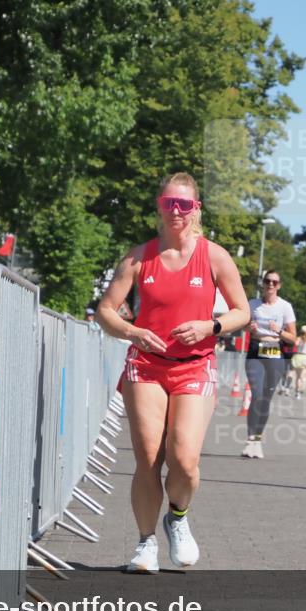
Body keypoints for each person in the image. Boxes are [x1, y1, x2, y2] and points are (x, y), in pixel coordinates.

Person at [97, 172, 249, 573]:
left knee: (183, 459)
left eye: (184, 205)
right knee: (148, 457)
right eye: (169, 204)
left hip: (195, 366)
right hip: (146, 366)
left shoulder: (214, 256)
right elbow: (105, 311)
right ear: (159, 208)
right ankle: (145, 543)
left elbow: (242, 312)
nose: (177, 212)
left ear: (196, 208)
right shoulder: (138, 257)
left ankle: (177, 518)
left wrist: (209, 327)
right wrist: (133, 332)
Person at [243, 269, 297, 458]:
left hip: (275, 352)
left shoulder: (285, 307)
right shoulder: (253, 304)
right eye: (268, 281)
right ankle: (250, 439)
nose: (271, 285)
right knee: (256, 395)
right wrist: (248, 327)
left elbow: (293, 338)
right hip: (255, 351)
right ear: (263, 284)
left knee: (265, 399)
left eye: (274, 282)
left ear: (279, 285)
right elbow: (242, 324)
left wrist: (280, 331)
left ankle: (257, 440)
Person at [291, 325, 306, 398]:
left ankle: (297, 392)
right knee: (303, 376)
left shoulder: (299, 338)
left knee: (298, 377)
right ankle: (301, 389)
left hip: (298, 356)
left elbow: (295, 345)